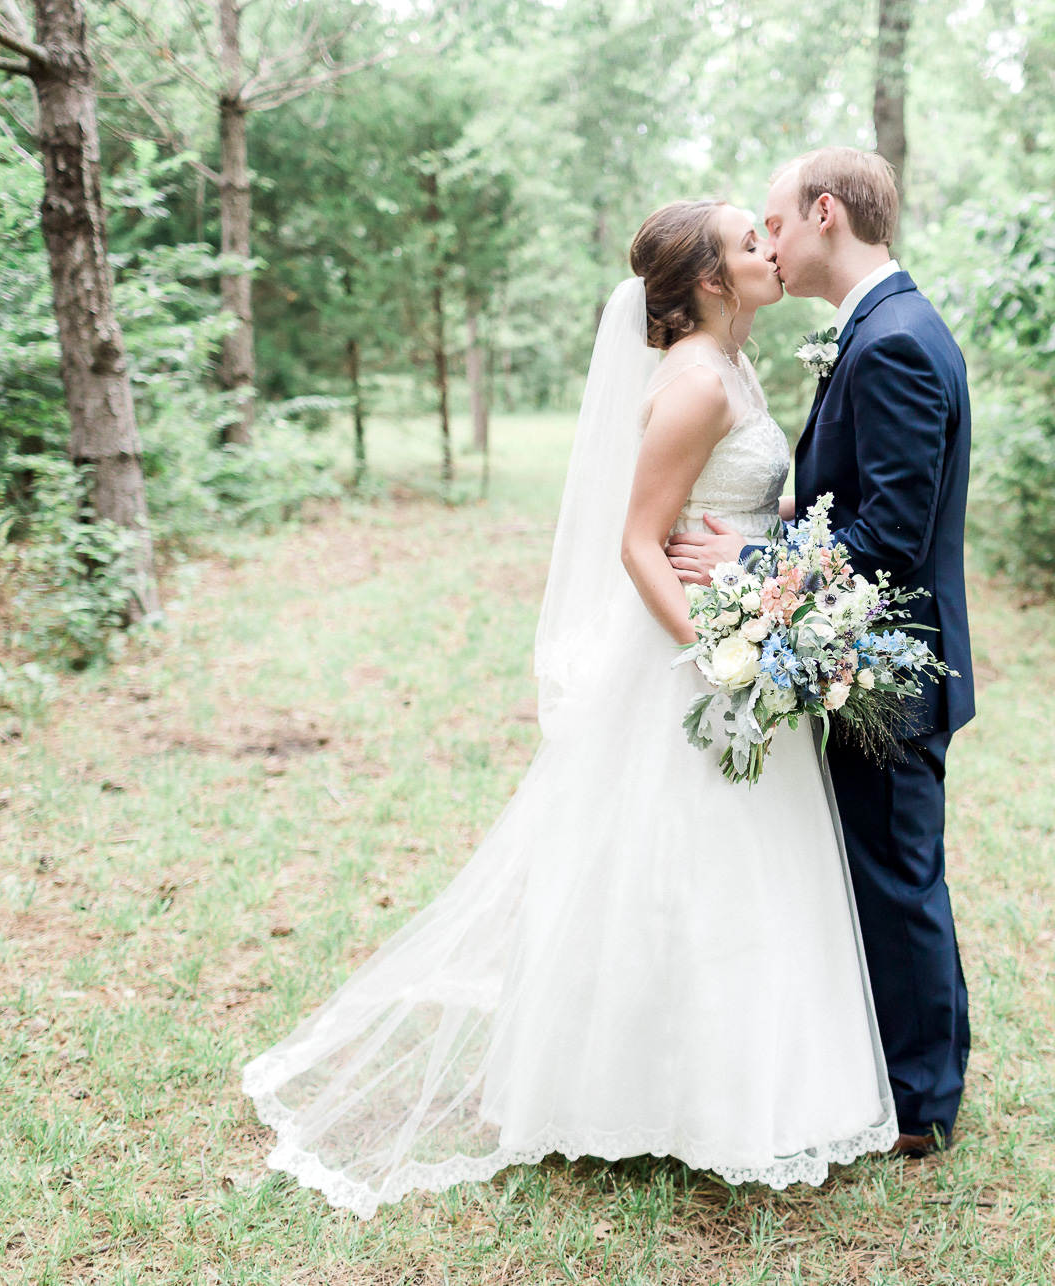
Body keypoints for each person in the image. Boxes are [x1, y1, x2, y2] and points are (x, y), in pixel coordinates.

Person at [241, 200, 897, 1219]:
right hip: (693, 653)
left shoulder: (734, 363)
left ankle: (745, 1091)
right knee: (668, 861)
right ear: (714, 282)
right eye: (749, 242)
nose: (772, 249)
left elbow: (730, 503)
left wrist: (771, 568)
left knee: (740, 870)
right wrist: (717, 659)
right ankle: (633, 1095)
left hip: (737, 627)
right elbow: (638, 541)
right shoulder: (690, 384)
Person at [666, 148, 975, 1156]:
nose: (770, 242)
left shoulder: (890, 342)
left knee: (895, 873)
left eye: (777, 221)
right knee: (879, 868)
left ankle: (923, 1100)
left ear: (827, 214)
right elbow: (855, 497)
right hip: (858, 654)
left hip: (886, 663)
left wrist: (752, 553)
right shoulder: (880, 330)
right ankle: (891, 1070)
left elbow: (888, 536)